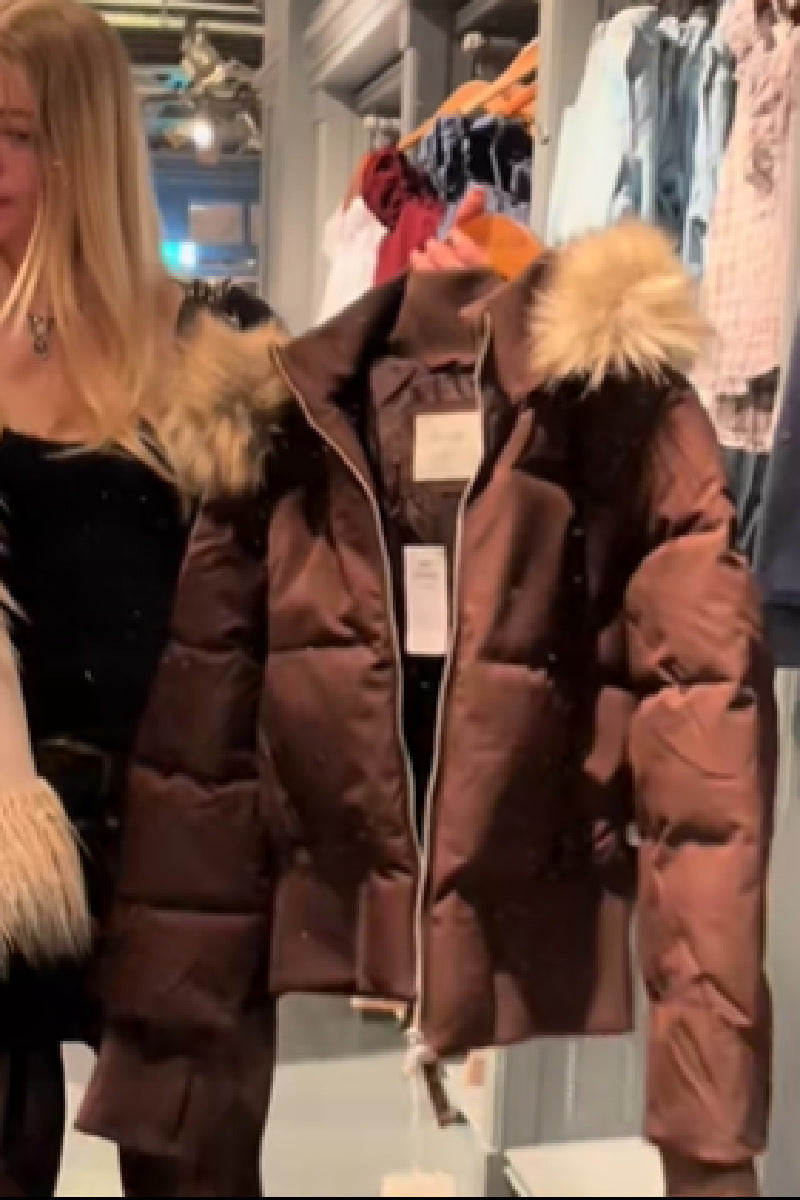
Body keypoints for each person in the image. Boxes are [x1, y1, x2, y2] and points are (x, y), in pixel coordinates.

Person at [78, 212, 776, 1198]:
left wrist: (709, 1152)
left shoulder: (627, 422)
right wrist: (176, 1105)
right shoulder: (277, 435)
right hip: (325, 932)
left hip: (549, 885)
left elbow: (705, 792)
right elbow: (199, 776)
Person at [0, 1, 282, 1194]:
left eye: (13, 132)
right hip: (5, 839)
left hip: (181, 865)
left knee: (194, 1175)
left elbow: (295, 632)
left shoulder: (217, 352)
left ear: (84, 147)